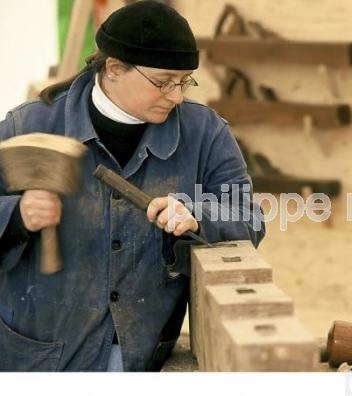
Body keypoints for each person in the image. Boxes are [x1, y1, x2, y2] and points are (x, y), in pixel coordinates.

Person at [0, 1, 265, 371]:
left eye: (184, 81)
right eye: (163, 82)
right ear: (113, 69)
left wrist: (197, 215)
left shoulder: (205, 133)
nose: (176, 96)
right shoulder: (27, 125)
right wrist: (16, 215)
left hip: (136, 355)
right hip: (36, 354)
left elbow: (249, 218)